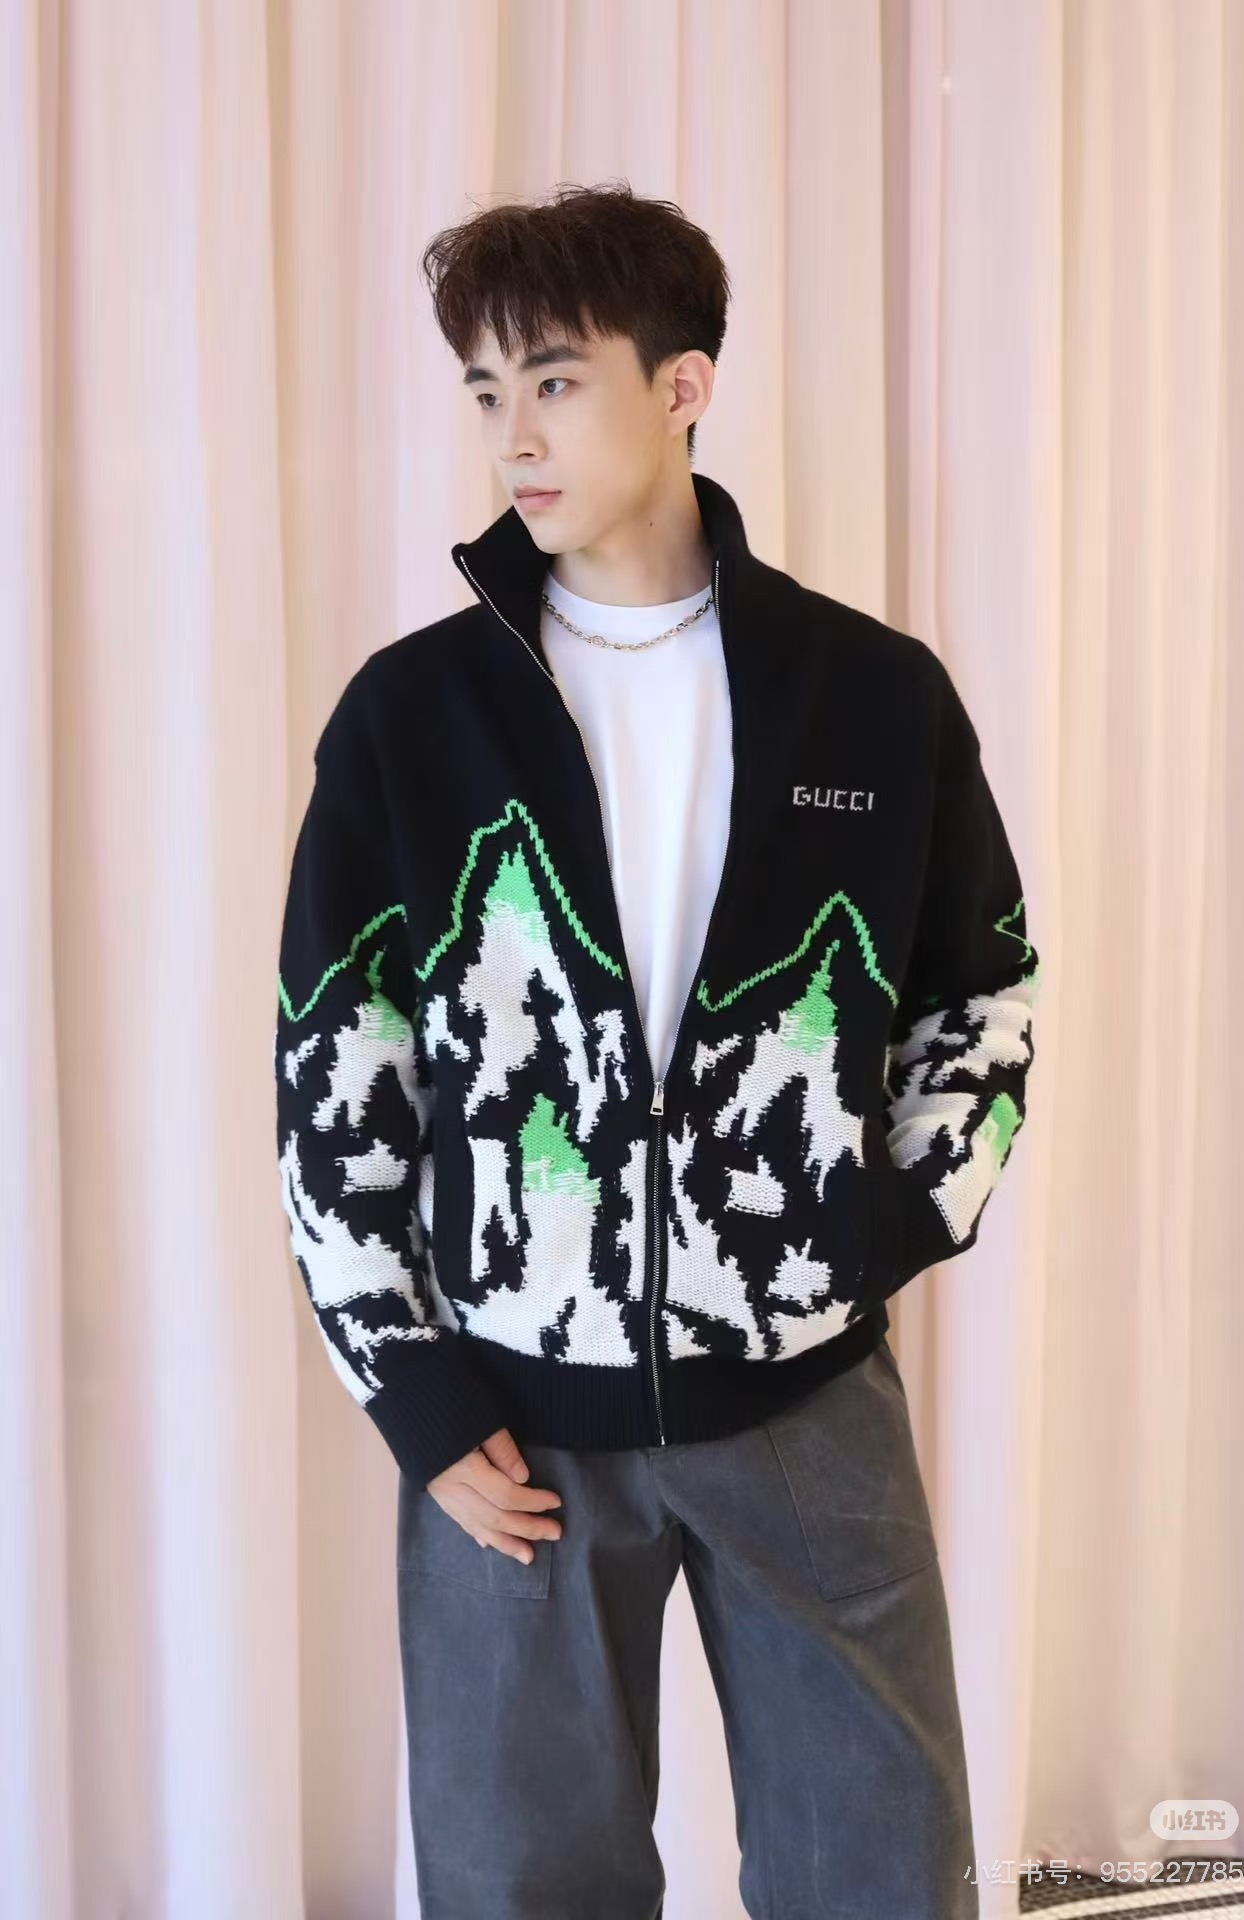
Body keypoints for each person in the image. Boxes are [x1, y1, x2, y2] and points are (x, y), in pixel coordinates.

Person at [274, 181, 1040, 1919]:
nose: (513, 435)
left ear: (681, 385)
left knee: (881, 1879)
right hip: (513, 1435)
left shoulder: (872, 696)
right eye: (486, 391)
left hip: (806, 1404)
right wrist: (413, 1389)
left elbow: (981, 996)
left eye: (554, 380)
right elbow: (335, 1065)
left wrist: (868, 1235)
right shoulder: (413, 716)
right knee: (519, 1888)